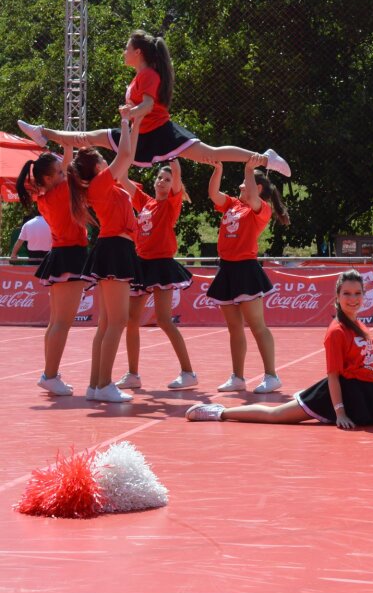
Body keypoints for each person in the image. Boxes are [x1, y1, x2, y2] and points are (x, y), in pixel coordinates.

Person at [187, 269, 373, 426]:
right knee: (276, 415)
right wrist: (340, 412)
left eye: (357, 294)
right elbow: (333, 376)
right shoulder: (336, 331)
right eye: (347, 294)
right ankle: (221, 413)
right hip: (340, 395)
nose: (353, 299)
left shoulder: (361, 326)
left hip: (367, 392)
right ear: (337, 297)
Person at [19, 30, 290, 176]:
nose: (123, 52)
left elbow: (148, 106)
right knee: (84, 137)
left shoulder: (148, 75)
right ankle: (41, 133)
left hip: (160, 133)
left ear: (137, 52)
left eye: (126, 48)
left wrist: (130, 113)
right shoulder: (139, 76)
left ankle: (266, 159)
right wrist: (130, 116)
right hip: (140, 133)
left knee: (213, 154)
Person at [199, 156, 289, 394]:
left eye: (244, 182)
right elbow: (213, 194)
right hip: (227, 268)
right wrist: (217, 168)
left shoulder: (260, 209)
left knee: (257, 326)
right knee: (234, 328)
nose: (239, 186)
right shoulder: (231, 205)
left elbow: (250, 196)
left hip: (246, 269)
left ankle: (272, 376)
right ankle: (237, 377)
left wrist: (249, 168)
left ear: (257, 188)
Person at [69, 113, 143, 403]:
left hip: (113, 248)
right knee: (117, 322)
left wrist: (134, 125)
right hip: (114, 249)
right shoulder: (100, 184)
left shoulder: (103, 186)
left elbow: (129, 153)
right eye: (102, 158)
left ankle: (95, 386)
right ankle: (104, 385)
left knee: (106, 323)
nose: (106, 161)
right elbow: (125, 153)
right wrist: (125, 122)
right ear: (98, 167)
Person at [115, 159, 196, 391]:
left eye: (167, 179)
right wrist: (126, 152)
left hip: (161, 264)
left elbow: (178, 174)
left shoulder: (171, 203)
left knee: (163, 320)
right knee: (131, 320)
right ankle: (133, 374)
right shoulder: (145, 202)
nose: (162, 181)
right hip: (142, 264)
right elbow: (121, 178)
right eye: (160, 177)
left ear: (174, 186)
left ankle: (188, 372)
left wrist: (173, 154)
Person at [16, 153, 88, 396]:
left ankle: (51, 374)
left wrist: (67, 148)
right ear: (48, 178)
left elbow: (69, 169)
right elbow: (72, 170)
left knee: (55, 323)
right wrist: (68, 144)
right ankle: (49, 374)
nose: (63, 174)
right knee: (62, 323)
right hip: (69, 254)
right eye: (58, 172)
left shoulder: (44, 198)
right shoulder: (57, 193)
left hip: (61, 254)